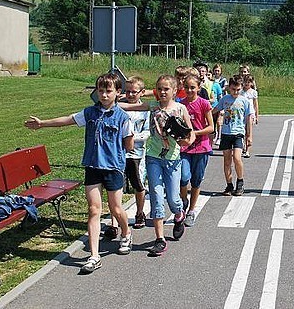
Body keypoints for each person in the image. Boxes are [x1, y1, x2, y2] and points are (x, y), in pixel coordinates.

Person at [25, 73, 134, 274]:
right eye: (100, 90)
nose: (104, 94)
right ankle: (94, 256)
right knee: (94, 209)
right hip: (93, 167)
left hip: (113, 168)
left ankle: (126, 233)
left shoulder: (123, 118)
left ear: (118, 93)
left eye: (108, 91)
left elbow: (128, 145)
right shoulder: (90, 113)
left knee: (116, 208)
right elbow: (67, 120)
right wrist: (42, 123)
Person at [120, 75, 194, 256]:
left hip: (172, 160)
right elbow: (130, 106)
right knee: (156, 196)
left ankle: (179, 214)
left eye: (166, 89)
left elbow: (190, 135)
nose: (162, 92)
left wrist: (186, 142)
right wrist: (109, 102)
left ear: (174, 91)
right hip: (153, 158)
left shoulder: (180, 108)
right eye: (159, 88)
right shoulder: (152, 106)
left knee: (173, 199)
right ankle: (159, 239)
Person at [179, 75, 214, 227]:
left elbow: (211, 127)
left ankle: (191, 211)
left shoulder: (204, 103)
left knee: (196, 181)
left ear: (199, 88)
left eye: (192, 87)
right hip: (185, 147)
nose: (189, 90)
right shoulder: (180, 104)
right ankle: (183, 200)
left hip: (201, 147)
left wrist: (195, 133)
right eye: (186, 87)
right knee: (183, 177)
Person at [213, 75, 253, 197]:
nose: (235, 92)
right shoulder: (225, 99)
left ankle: (240, 182)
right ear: (229, 88)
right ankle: (229, 184)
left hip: (238, 133)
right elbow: (214, 110)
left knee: (237, 158)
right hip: (226, 133)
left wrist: (249, 135)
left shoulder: (245, 101)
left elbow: (249, 118)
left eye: (238, 90)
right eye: (233, 89)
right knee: (227, 161)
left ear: (241, 88)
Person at [123, 77, 150, 229]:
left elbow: (148, 132)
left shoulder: (145, 110)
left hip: (137, 153)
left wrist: (132, 139)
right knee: (117, 186)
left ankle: (140, 212)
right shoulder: (120, 107)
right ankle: (116, 219)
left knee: (138, 184)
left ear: (141, 92)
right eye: (128, 92)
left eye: (134, 92)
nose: (131, 95)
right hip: (120, 153)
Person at [240, 74, 259, 158]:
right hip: (241, 113)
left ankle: (247, 150)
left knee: (249, 132)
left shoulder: (253, 92)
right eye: (245, 82)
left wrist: (256, 116)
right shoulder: (241, 92)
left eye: (249, 82)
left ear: (251, 83)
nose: (247, 83)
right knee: (241, 131)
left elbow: (255, 104)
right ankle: (243, 146)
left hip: (250, 114)